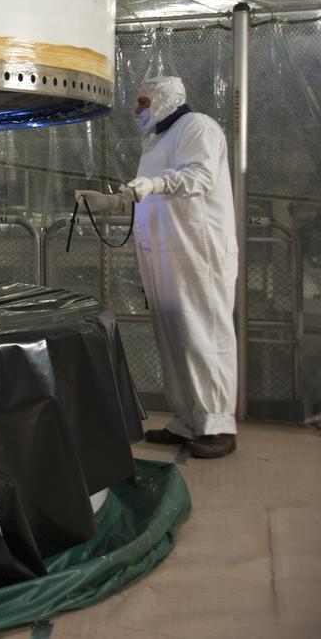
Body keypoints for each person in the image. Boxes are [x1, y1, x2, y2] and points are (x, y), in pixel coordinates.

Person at [75, 76, 237, 459]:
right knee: (174, 338)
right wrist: (110, 203)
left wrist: (151, 185)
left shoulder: (198, 127)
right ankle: (188, 420)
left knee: (203, 336)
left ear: (164, 100)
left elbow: (199, 177)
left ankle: (218, 424)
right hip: (166, 254)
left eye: (143, 102)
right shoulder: (156, 142)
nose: (138, 111)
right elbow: (147, 194)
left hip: (198, 253)